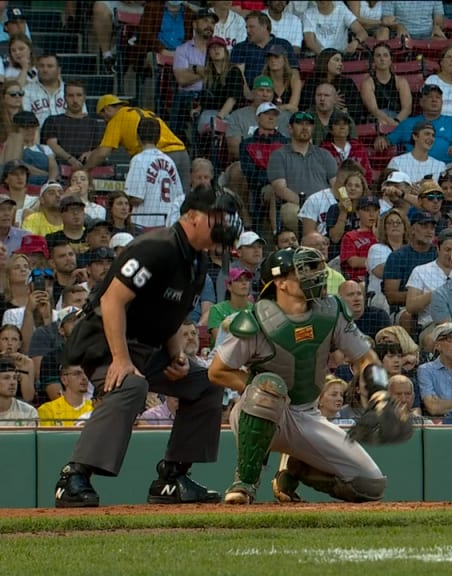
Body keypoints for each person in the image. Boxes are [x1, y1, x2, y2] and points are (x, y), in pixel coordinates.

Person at [53, 185, 243, 508]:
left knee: (209, 381)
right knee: (132, 385)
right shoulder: (157, 247)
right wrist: (120, 359)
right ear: (193, 216)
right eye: (217, 216)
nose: (224, 223)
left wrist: (177, 355)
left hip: (147, 348)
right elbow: (113, 301)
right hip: (103, 340)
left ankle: (172, 477)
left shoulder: (195, 263)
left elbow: (171, 315)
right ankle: (74, 476)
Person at [208, 247, 396, 504]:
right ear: (280, 282)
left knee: (369, 486)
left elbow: (365, 358)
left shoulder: (331, 311)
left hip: (307, 414)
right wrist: (256, 389)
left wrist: (380, 393)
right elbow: (217, 371)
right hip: (259, 412)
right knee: (268, 386)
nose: (315, 276)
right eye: (303, 272)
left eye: (315, 269)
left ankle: (295, 468)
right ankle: (245, 483)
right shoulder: (256, 320)